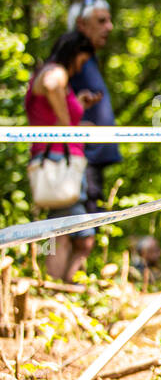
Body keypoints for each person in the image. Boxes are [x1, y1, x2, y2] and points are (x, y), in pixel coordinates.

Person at [24, 30, 98, 282]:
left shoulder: (47, 71)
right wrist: (68, 125)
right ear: (74, 54)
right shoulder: (56, 72)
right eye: (83, 60)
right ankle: (59, 289)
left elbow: (48, 110)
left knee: (66, 231)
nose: (82, 67)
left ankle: (59, 288)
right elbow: (51, 85)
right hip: (59, 163)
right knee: (74, 234)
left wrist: (76, 106)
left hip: (57, 160)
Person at [66, 0, 120, 215]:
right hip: (79, 159)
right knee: (76, 233)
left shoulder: (88, 58)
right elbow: (47, 87)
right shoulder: (72, 53)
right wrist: (70, 125)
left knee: (87, 234)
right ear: (81, 24)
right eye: (101, 21)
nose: (109, 26)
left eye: (109, 20)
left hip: (92, 160)